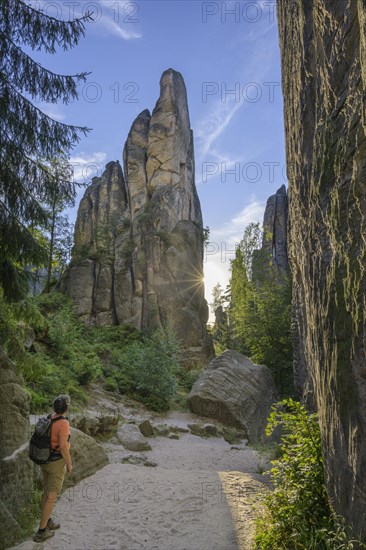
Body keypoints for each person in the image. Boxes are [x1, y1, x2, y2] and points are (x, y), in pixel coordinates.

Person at [34, 394, 73, 543]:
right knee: (52, 495)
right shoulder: (63, 423)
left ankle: (48, 520)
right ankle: (41, 531)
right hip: (56, 462)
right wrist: (69, 464)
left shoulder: (50, 417)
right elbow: (63, 446)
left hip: (44, 459)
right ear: (67, 408)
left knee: (47, 491)